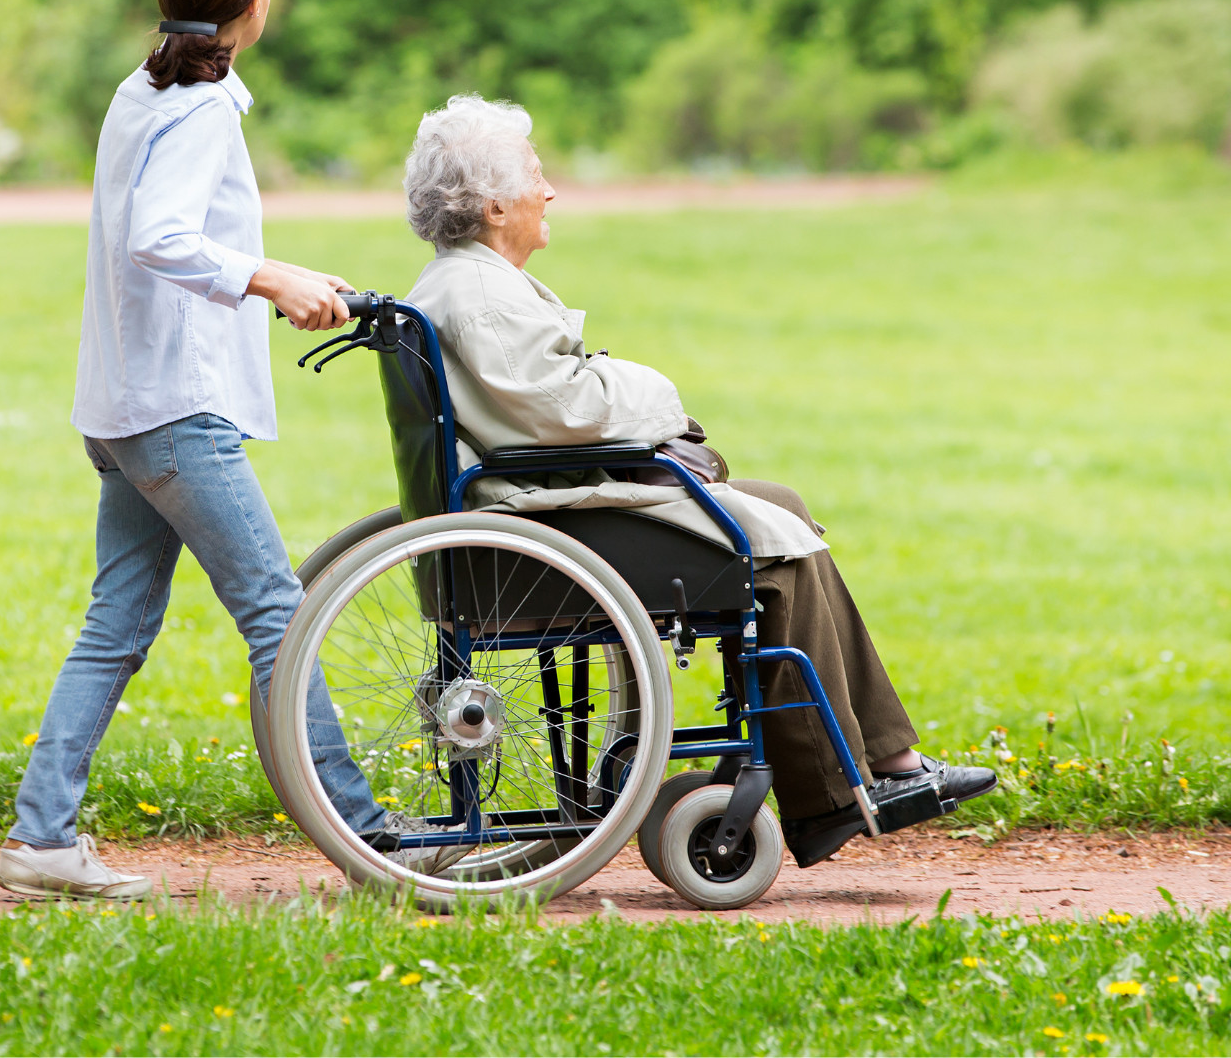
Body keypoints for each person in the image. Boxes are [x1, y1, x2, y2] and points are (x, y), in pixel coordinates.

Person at [399, 96, 996, 868]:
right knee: (774, 548)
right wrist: (657, 394)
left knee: (780, 507)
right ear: (493, 205)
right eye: (537, 177)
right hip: (545, 529)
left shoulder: (461, 286)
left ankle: (878, 764)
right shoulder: (478, 298)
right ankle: (851, 785)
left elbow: (546, 405)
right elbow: (563, 409)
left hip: (536, 509)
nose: (551, 192)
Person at [0, 0, 441, 900]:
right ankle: (374, 841)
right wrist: (266, 277)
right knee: (282, 614)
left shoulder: (142, 88)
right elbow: (160, 235)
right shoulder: (198, 109)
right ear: (254, 4)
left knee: (117, 619)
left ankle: (40, 842)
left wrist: (274, 273)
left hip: (122, 403)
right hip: (170, 410)